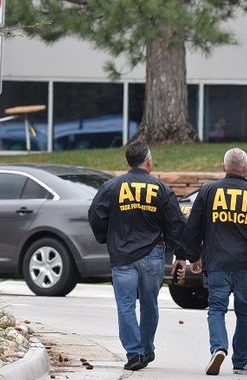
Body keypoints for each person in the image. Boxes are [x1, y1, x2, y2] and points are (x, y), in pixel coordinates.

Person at [175, 148, 247, 376]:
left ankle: (219, 348)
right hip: (246, 265)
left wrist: (193, 256)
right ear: (246, 168)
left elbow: (193, 227)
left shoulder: (209, 191)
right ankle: (240, 362)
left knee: (216, 309)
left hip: (217, 263)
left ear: (224, 168)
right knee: (244, 313)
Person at [88, 140, 187, 371]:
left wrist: (106, 238)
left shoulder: (112, 187)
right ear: (149, 161)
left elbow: (95, 215)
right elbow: (176, 224)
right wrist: (180, 255)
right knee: (149, 305)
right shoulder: (161, 189)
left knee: (125, 306)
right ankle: (147, 348)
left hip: (122, 257)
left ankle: (135, 354)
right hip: (153, 255)